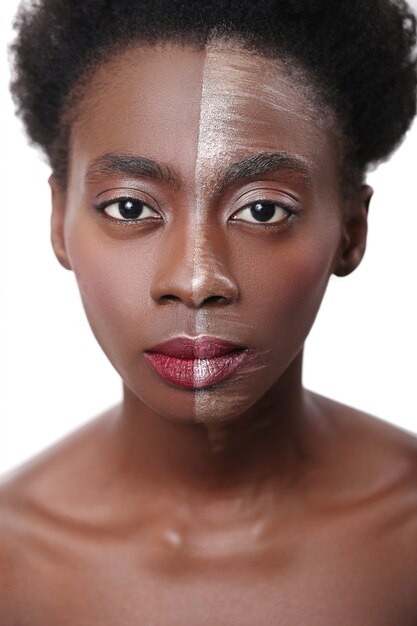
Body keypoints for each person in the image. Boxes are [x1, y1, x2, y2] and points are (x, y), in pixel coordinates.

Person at [1, 0, 417, 623]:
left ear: (351, 231)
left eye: (263, 210)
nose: (195, 280)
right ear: (59, 220)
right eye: (131, 208)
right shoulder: (12, 563)